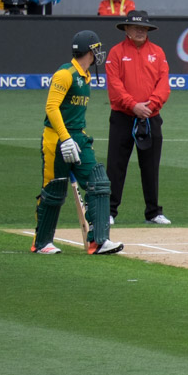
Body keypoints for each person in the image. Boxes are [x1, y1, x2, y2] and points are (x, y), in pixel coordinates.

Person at [32, 31, 123, 255]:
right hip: (56, 138)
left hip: (79, 137)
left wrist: (75, 139)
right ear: (88, 51)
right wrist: (65, 138)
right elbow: (51, 108)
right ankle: (42, 242)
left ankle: (99, 241)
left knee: (98, 181)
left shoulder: (85, 75)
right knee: (54, 190)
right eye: (96, 49)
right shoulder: (65, 74)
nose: (98, 54)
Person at [104, 11, 170, 226]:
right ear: (126, 29)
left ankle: (153, 212)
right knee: (116, 165)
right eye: (136, 27)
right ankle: (109, 211)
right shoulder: (116, 53)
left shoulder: (158, 52)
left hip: (151, 117)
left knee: (150, 166)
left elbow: (163, 84)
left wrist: (149, 106)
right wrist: (133, 105)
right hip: (123, 116)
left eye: (144, 28)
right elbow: (114, 86)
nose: (140, 31)